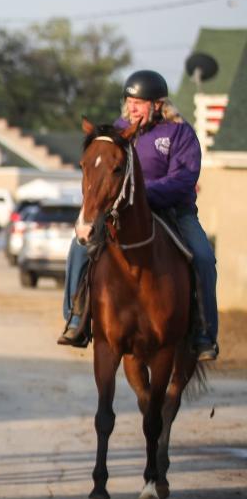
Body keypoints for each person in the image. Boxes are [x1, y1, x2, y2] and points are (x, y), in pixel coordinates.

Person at [58, 69, 219, 362]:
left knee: (204, 257)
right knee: (79, 247)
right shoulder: (117, 133)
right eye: (129, 101)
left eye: (139, 102)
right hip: (123, 212)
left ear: (158, 105)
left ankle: (204, 334)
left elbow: (183, 179)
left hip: (174, 210)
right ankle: (75, 317)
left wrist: (143, 194)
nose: (132, 108)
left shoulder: (180, 133)